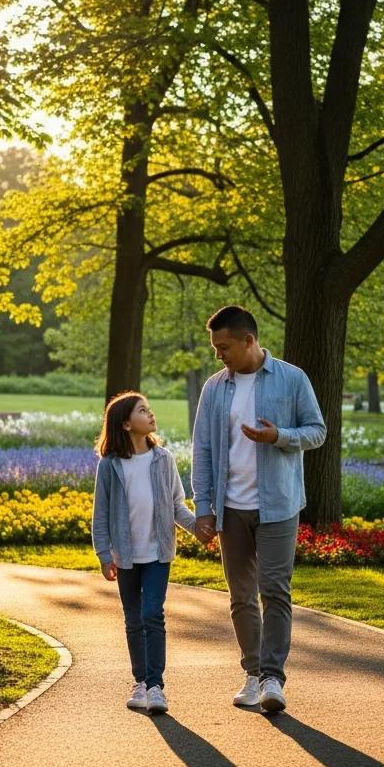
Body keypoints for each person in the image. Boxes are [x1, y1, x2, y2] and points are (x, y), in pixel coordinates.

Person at [192, 305, 326, 714]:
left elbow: (317, 431)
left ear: (249, 341)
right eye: (215, 348)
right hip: (231, 508)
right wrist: (204, 507)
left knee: (275, 592)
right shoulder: (215, 387)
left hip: (279, 506)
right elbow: (204, 449)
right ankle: (252, 673)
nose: (219, 355)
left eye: (225, 347)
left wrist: (278, 436)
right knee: (241, 597)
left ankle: (272, 678)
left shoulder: (292, 378)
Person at [91, 391, 198, 716]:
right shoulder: (110, 466)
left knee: (153, 614)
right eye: (142, 411)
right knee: (133, 619)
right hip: (125, 556)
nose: (150, 415)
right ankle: (140, 682)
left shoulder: (162, 459)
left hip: (157, 553)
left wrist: (198, 528)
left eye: (149, 410)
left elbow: (177, 504)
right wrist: (104, 555)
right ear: (125, 424)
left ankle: (155, 687)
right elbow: (101, 515)